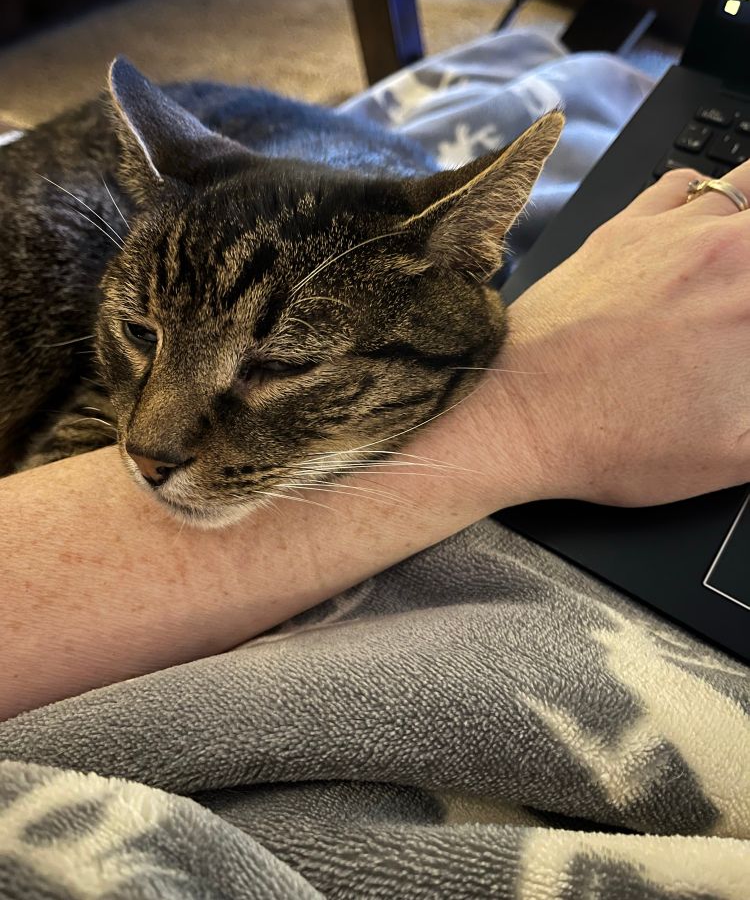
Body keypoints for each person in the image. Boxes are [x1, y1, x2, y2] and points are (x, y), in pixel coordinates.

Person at [2, 166, 750, 721]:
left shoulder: (392, 278)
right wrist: (527, 414)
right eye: (141, 335)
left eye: (279, 364)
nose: (150, 440)